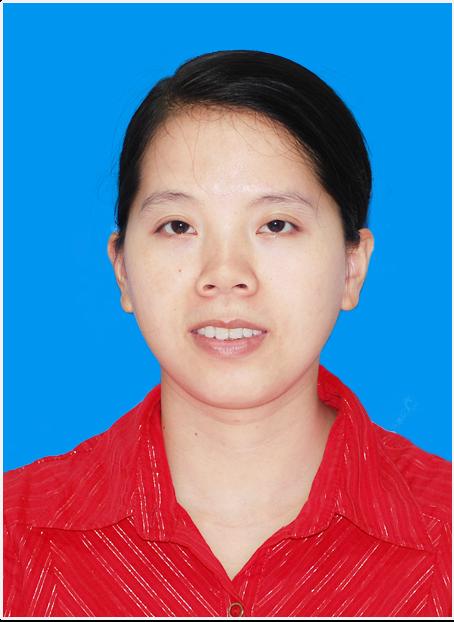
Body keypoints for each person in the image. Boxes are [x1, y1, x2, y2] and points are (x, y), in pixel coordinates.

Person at [4, 50, 451, 618]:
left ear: (352, 267)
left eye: (276, 224)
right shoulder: (14, 537)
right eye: (179, 226)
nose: (225, 274)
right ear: (122, 269)